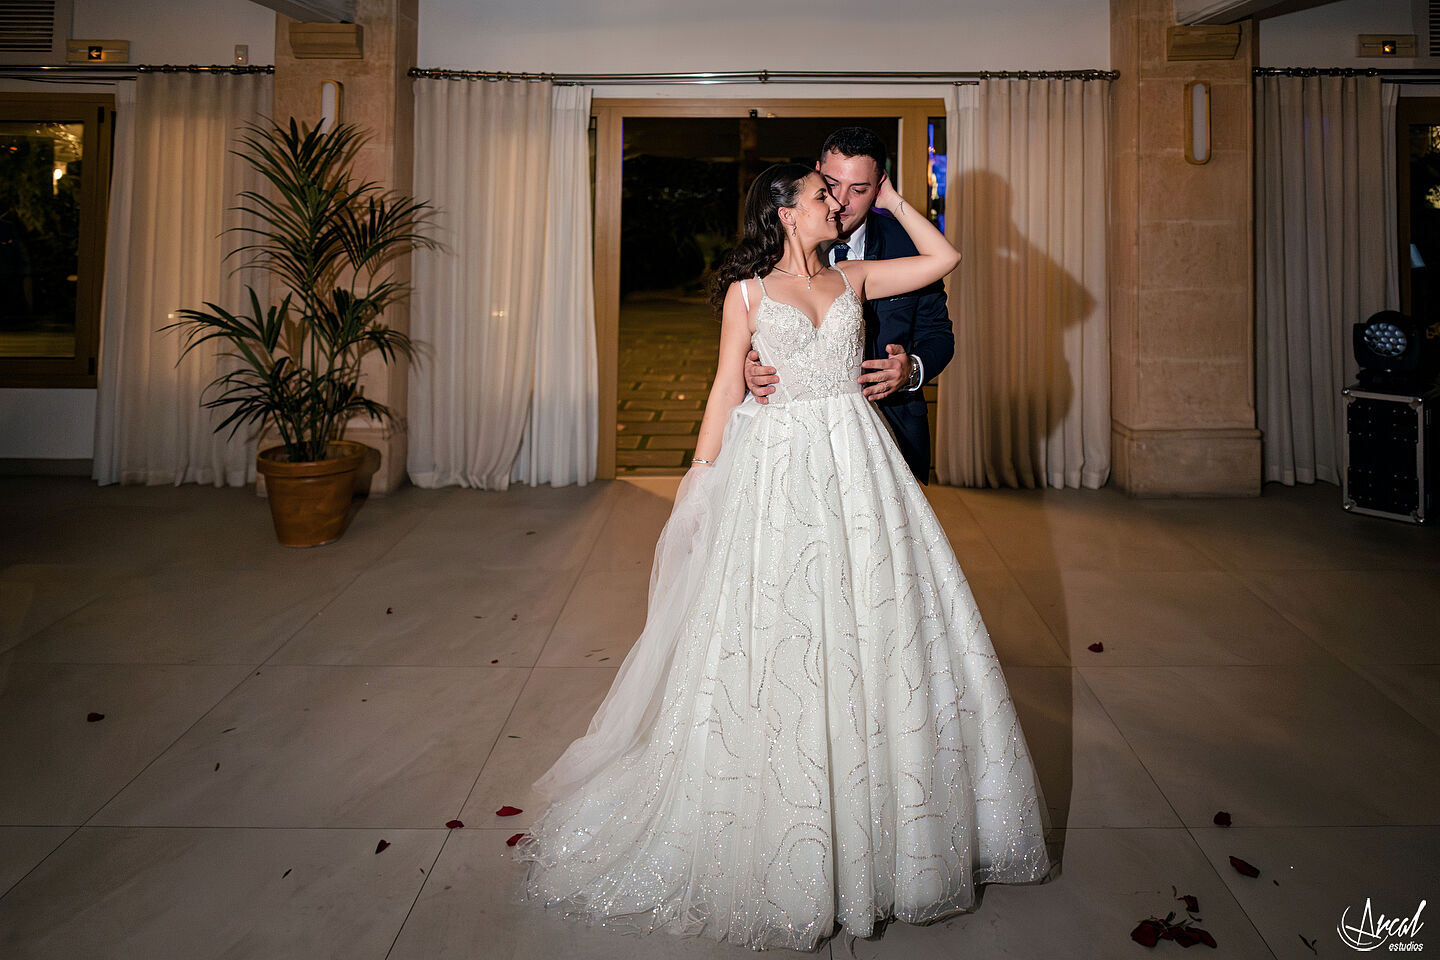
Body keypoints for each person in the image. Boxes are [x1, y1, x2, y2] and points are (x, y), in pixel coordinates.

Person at [518, 163, 1049, 951]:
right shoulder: (747, 295)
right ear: (784, 213)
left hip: (861, 472)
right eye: (818, 194)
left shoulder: (856, 276)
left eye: (835, 193)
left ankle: (883, 821)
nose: (833, 201)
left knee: (877, 630)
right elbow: (723, 391)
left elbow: (944, 261)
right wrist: (696, 487)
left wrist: (898, 198)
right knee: (780, 638)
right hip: (778, 474)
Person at [745, 127, 952, 483]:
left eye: (859, 190)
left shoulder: (911, 246)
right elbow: (744, 334)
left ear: (879, 187)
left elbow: (939, 336)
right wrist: (748, 371)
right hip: (793, 438)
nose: (840, 202)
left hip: (891, 426)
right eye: (830, 185)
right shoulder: (769, 251)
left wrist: (910, 371)